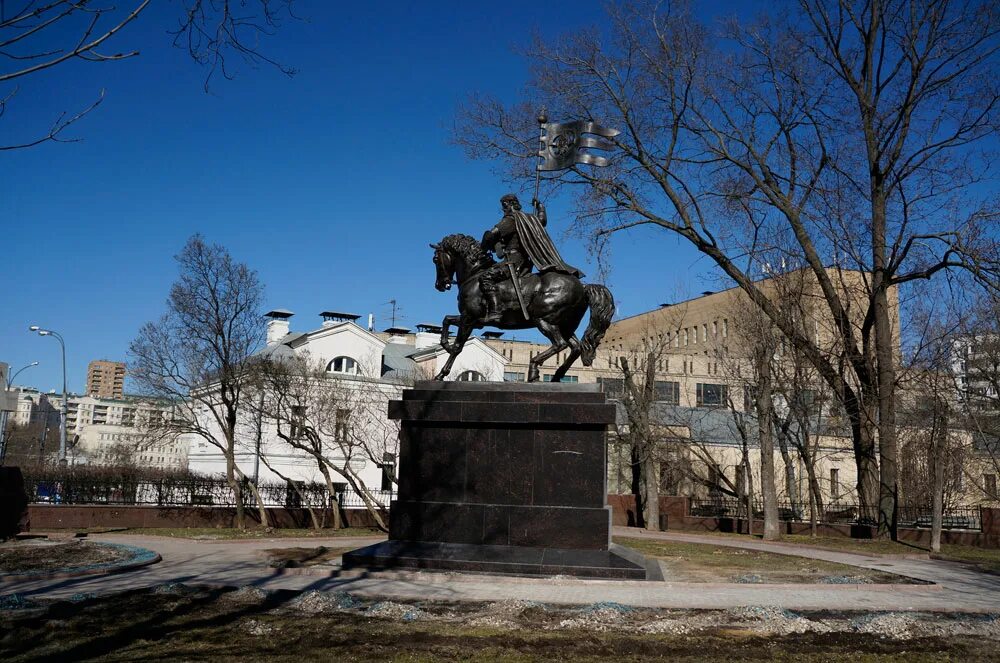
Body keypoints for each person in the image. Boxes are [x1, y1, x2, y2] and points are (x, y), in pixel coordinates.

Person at [479, 193, 583, 323]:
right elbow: (542, 221)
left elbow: (491, 235)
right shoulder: (528, 219)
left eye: (504, 205)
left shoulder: (511, 220)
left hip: (512, 261)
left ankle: (495, 311)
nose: (503, 209)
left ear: (510, 204)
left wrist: (482, 248)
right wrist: (541, 208)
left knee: (486, 277)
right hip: (525, 262)